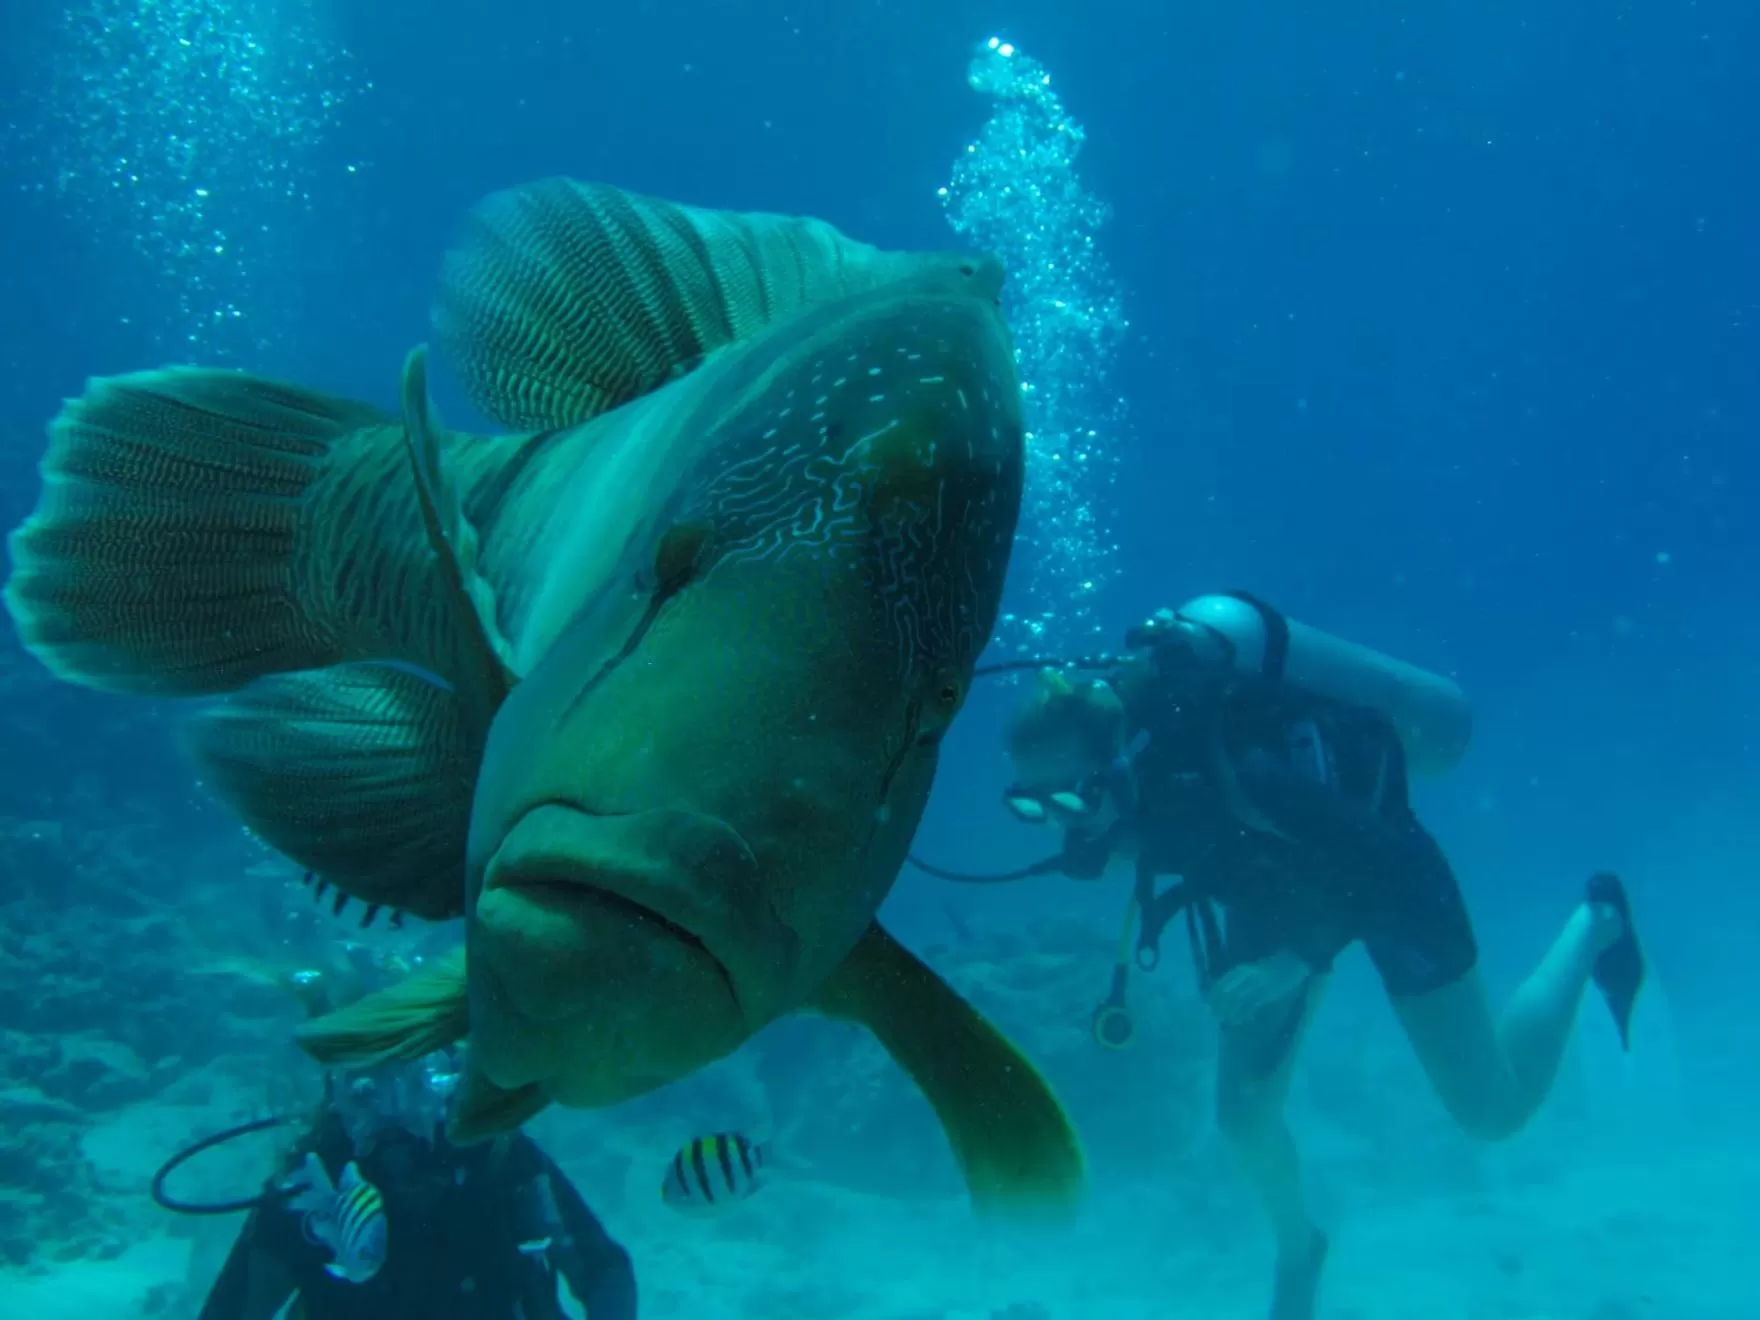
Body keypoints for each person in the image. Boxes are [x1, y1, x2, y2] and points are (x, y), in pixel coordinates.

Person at [991, 591, 1644, 1320]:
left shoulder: (1247, 769)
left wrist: (1294, 961)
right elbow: (1185, 848)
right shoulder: (1136, 795)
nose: (1058, 825)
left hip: (1383, 875)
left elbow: (1381, 860)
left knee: (1492, 1110)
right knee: (1242, 1118)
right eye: (1032, 806)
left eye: (1070, 800)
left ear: (1114, 762)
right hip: (1273, 898)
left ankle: (1600, 920)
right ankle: (1300, 1249)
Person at [190, 1047, 638, 1320]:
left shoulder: (499, 1160)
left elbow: (604, 1270)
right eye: (371, 1095)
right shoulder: (310, 1181)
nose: (397, 1123)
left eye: (414, 1092)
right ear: (342, 1097)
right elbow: (231, 1310)